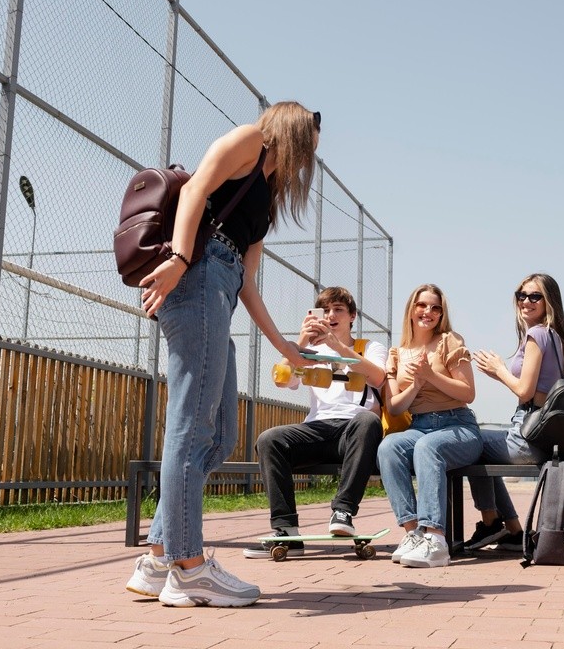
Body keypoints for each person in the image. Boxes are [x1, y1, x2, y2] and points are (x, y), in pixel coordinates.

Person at [125, 102, 320, 607]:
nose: (310, 157)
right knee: (191, 428)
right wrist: (179, 258)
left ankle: (157, 556)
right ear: (294, 129)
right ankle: (188, 569)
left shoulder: (268, 197)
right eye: (310, 143)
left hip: (222, 291)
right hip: (195, 276)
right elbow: (194, 189)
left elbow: (248, 284)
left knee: (222, 435)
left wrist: (286, 348)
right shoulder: (251, 141)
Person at [251, 286, 387, 554]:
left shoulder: (369, 347)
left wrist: (336, 346)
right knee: (269, 440)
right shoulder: (307, 351)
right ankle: (286, 530)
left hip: (354, 431)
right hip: (317, 428)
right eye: (325, 311)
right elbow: (282, 380)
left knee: (367, 421)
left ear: (352, 316)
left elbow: (378, 377)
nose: (331, 315)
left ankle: (343, 512)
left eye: (338, 309)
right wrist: (300, 343)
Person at [465, 272, 564, 552]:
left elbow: (525, 392)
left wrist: (499, 369)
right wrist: (501, 374)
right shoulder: (558, 338)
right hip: (544, 437)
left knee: (470, 442)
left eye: (535, 296)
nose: (526, 301)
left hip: (528, 436)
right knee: (479, 444)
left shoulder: (537, 334)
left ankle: (492, 524)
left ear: (549, 301)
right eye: (521, 295)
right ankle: (512, 531)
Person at [377, 284, 482, 568]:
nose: (429, 312)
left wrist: (430, 375)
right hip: (419, 425)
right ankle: (413, 534)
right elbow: (396, 406)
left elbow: (467, 393)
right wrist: (416, 384)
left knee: (426, 447)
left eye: (436, 308)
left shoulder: (449, 341)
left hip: (457, 425)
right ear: (411, 310)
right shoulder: (398, 353)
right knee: (388, 447)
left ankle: (436, 540)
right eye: (422, 305)